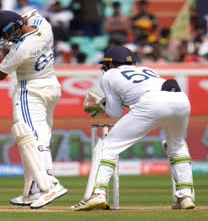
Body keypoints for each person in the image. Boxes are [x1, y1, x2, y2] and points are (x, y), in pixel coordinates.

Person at [73, 46, 195, 211]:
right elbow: (137, 96)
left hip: (152, 101)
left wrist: (101, 104)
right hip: (180, 99)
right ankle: (186, 196)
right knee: (177, 144)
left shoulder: (109, 75)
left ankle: (98, 194)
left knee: (108, 146)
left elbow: (115, 113)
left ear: (111, 64)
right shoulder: (148, 70)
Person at [0, 10, 67, 209]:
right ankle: (33, 191)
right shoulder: (43, 25)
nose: (7, 39)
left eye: (7, 34)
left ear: (14, 28)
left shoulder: (21, 49)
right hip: (51, 85)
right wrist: (2, 38)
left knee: (30, 138)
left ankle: (50, 184)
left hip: (31, 90)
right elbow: (28, 16)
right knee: (39, 137)